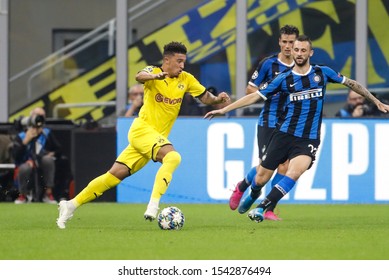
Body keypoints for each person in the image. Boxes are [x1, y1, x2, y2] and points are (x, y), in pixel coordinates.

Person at [205, 35, 389, 222]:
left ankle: (262, 208)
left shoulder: (322, 72)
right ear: (292, 52)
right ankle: (252, 193)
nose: (299, 54)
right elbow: (254, 96)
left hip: (308, 138)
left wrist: (376, 101)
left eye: (303, 50)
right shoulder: (283, 78)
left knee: (294, 172)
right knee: (261, 178)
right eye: (296, 50)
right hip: (283, 134)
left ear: (310, 53)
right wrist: (225, 109)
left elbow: (352, 84)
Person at [56, 41, 230, 229]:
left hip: (152, 138)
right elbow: (139, 76)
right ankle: (153, 205)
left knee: (113, 176)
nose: (182, 66)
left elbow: (205, 97)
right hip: (141, 130)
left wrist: (218, 99)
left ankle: (70, 204)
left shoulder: (186, 79)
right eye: (179, 61)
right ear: (166, 60)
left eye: (183, 62)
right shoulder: (153, 72)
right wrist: (153, 77)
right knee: (173, 157)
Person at [229, 25, 299, 221]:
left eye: (291, 42)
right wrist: (270, 92)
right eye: (284, 42)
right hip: (269, 121)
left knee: (284, 166)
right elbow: (249, 89)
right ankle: (243, 186)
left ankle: (268, 208)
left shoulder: (302, 66)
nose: (288, 46)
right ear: (279, 42)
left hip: (291, 123)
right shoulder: (268, 64)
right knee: (265, 169)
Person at [13, 107, 61, 204]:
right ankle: (23, 195)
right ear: (31, 117)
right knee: (24, 168)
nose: (40, 118)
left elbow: (59, 149)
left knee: (48, 159)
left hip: (41, 162)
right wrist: (26, 141)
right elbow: (15, 156)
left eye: (42, 116)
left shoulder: (46, 133)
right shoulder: (22, 134)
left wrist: (51, 153)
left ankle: (48, 194)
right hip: (25, 162)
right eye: (38, 115)